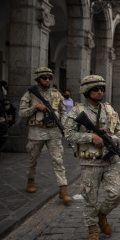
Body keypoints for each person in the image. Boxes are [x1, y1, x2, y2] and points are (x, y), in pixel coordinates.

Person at [64, 75, 120, 240]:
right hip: (90, 163)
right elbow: (68, 134)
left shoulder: (109, 110)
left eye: (102, 88)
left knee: (118, 192)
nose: (100, 91)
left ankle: (102, 216)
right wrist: (90, 137)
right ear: (87, 92)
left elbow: (119, 133)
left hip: (109, 161)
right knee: (90, 199)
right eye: (95, 89)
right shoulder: (78, 111)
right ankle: (93, 230)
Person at [18, 67, 72, 203]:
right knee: (32, 159)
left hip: (53, 132)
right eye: (44, 78)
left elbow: (63, 111)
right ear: (38, 79)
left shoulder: (56, 94)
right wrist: (35, 107)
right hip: (36, 132)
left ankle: (63, 189)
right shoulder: (30, 94)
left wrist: (63, 124)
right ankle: (30, 180)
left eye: (49, 78)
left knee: (58, 161)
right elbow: (22, 113)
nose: (47, 80)